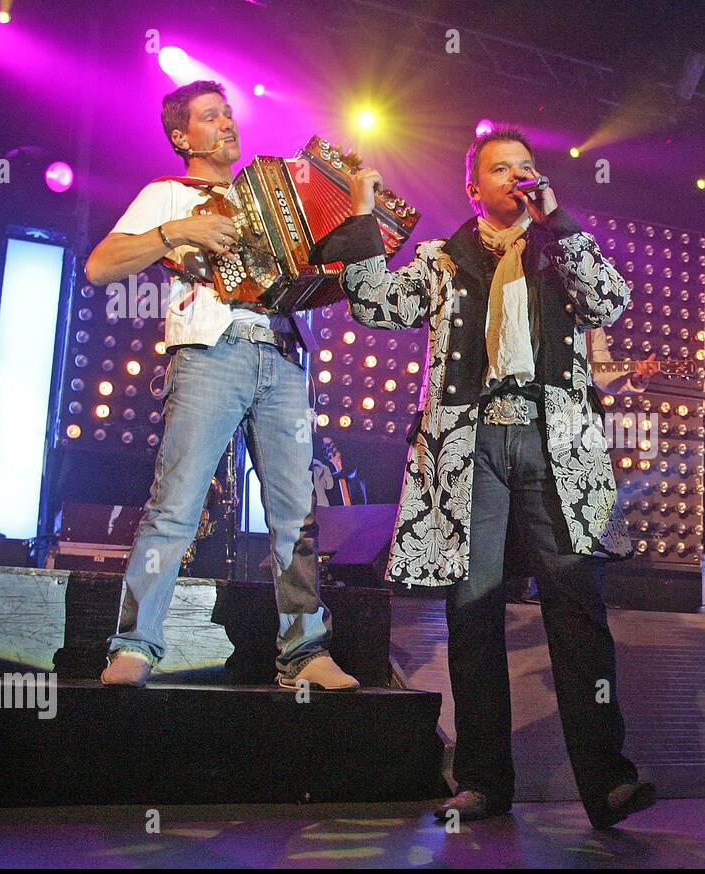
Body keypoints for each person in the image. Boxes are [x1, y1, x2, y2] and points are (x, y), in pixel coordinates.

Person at [314, 126, 655, 828]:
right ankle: (480, 780)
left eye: (528, 166)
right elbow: (376, 304)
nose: (519, 176)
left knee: (576, 605)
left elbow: (609, 302)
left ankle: (608, 779)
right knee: (474, 610)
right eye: (503, 168)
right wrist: (362, 218)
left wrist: (557, 221)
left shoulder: (558, 248)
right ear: (475, 187)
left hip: (553, 439)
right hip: (470, 443)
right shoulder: (443, 260)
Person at [85, 80, 357, 691]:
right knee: (174, 508)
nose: (227, 124)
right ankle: (133, 645)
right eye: (211, 117)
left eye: (229, 114)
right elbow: (101, 265)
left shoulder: (270, 195)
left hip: (283, 356)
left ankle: (306, 652)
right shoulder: (168, 194)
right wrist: (178, 233)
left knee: (296, 515)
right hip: (211, 351)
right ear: (182, 136)